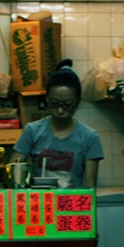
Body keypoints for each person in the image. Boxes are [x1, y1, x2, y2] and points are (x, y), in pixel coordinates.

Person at [11, 60, 104, 188]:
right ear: (46, 99)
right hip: (40, 204)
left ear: (77, 103)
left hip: (73, 205)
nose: (60, 111)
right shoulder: (32, 131)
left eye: (67, 105)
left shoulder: (89, 137)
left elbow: (90, 187)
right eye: (54, 104)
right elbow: (14, 170)